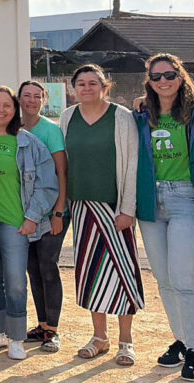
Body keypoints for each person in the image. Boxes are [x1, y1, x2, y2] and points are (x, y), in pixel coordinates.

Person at [133, 54, 194, 382]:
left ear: (180, 75)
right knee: (163, 278)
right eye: (157, 76)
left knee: (183, 277)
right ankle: (181, 338)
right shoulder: (142, 114)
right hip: (150, 202)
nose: (164, 81)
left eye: (170, 74)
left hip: (186, 199)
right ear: (149, 80)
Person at [59, 64, 143, 366]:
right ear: (73, 88)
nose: (86, 88)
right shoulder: (68, 117)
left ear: (105, 86)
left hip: (114, 208)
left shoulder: (121, 118)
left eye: (93, 83)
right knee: (92, 273)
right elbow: (64, 164)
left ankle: (126, 341)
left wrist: (127, 209)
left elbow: (132, 164)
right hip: (82, 208)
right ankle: (99, 337)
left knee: (122, 274)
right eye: (80, 83)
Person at [0, 86, 59, 361]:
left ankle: (17, 337)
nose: (1, 110)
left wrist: (33, 216)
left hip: (14, 222)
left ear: (15, 109)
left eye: (6, 105)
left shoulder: (28, 142)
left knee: (16, 281)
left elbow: (48, 184)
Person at [18, 80, 69, 352]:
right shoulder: (14, 129)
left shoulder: (50, 131)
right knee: (33, 269)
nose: (32, 100)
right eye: (27, 96)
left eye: (37, 96)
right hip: (26, 214)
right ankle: (42, 324)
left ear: (44, 99)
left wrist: (59, 211)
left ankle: (54, 329)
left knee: (48, 266)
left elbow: (62, 173)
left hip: (52, 212)